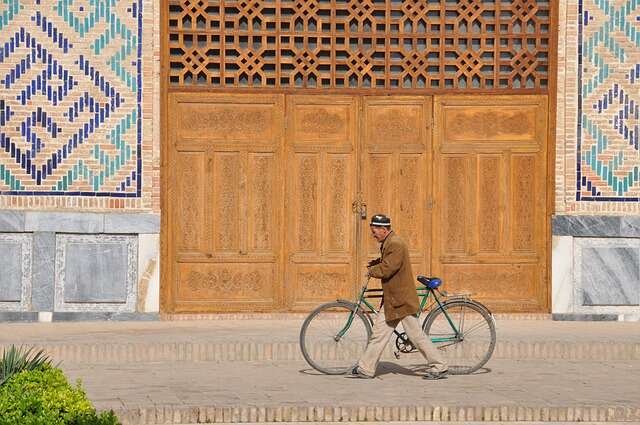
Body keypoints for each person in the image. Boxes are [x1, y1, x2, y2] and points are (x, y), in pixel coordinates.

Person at [350, 214, 448, 380]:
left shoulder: (396, 243)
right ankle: (365, 368)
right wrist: (377, 262)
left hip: (401, 299)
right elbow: (388, 261)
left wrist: (372, 270)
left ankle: (440, 366)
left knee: (415, 336)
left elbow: (388, 268)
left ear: (384, 229)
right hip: (393, 299)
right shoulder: (389, 242)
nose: (373, 234)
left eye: (375, 231)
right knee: (379, 334)